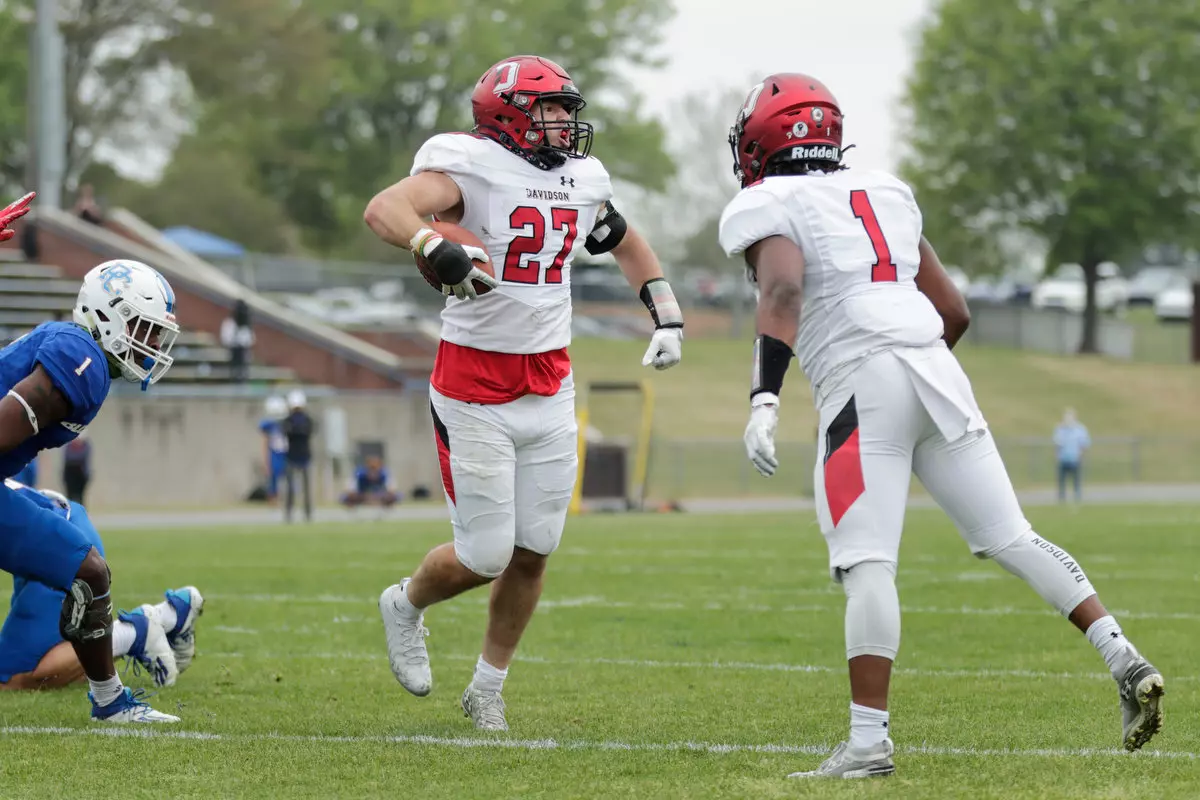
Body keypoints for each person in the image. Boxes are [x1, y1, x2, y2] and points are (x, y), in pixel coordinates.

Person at [717, 75, 1163, 778]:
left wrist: (764, 398)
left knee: (867, 562)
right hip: (937, 370)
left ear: (762, 144)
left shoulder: (768, 199)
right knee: (1012, 536)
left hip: (863, 382)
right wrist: (916, 381)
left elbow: (782, 289)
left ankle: (868, 745)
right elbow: (953, 310)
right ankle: (1120, 652)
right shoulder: (887, 191)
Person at [364, 55, 685, 731]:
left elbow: (625, 242)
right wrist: (430, 240)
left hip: (550, 382)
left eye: (569, 108)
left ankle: (488, 687)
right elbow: (385, 208)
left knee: (536, 548)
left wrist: (667, 311)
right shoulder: (468, 164)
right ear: (508, 113)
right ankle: (407, 602)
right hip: (474, 384)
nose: (567, 121)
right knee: (486, 554)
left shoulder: (581, 177)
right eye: (552, 108)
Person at [0, 226, 183, 723]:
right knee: (88, 571)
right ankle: (111, 698)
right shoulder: (81, 357)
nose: (150, 346)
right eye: (143, 329)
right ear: (110, 317)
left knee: (87, 569)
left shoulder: (81, 357)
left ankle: (110, 698)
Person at [0, 479, 203, 692]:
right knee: (42, 657)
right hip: (52, 527)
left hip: (56, 543)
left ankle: (132, 632)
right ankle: (170, 615)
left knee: (11, 678)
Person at [281, 389, 314, 523]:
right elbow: (288, 432)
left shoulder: (307, 420)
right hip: (291, 456)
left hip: (304, 456)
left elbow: (306, 432)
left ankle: (307, 514)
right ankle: (289, 513)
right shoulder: (288, 420)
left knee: (306, 489)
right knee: (290, 489)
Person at [1053, 407, 1090, 503]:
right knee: (1062, 480)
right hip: (1063, 458)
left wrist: (1081, 455)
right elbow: (1057, 444)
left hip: (1075, 458)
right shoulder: (1060, 429)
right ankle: (1062, 498)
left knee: (1076, 480)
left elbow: (1083, 444)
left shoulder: (1080, 429)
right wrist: (1057, 456)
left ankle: (1077, 497)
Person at [259, 395, 288, 503]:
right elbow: (265, 442)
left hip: (285, 453)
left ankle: (285, 501)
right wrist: (265, 461)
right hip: (274, 453)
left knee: (287, 479)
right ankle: (273, 501)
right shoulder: (269, 425)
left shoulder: (286, 423)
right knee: (273, 479)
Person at [220, 299, 255, 383]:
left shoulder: (246, 324)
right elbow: (226, 338)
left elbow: (250, 339)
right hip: (234, 350)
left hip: (243, 350)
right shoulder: (230, 323)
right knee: (235, 369)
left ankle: (241, 379)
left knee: (243, 369)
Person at [61, 433, 92, 504]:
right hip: (69, 475)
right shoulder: (68, 446)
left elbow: (83, 456)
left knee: (80, 496)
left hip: (82, 476)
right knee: (70, 496)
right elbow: (68, 457)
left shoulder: (86, 446)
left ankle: (80, 511)